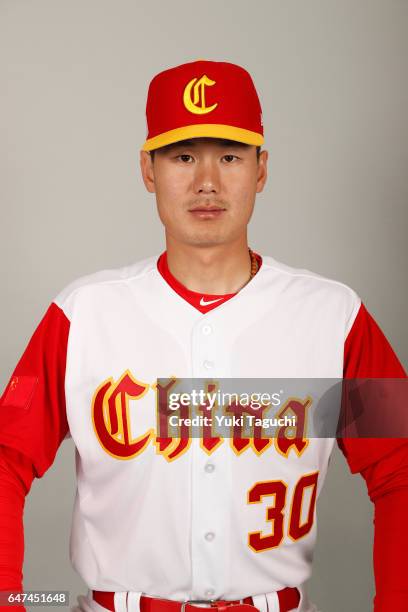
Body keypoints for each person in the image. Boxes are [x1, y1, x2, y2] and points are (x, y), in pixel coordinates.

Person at [0, 59, 407, 612]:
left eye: (231, 156)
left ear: (262, 169)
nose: (206, 182)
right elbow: (5, 457)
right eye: (183, 156)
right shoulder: (82, 313)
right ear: (148, 171)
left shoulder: (335, 316)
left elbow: (400, 469)